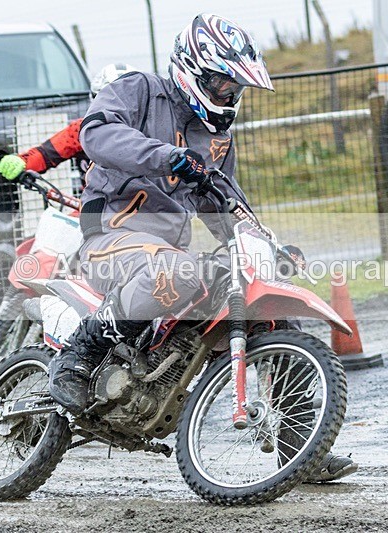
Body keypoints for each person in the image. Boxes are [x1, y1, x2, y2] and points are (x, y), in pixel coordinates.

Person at [49, 13, 358, 483]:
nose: (227, 97)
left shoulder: (216, 138)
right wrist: (166, 158)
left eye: (234, 89)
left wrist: (266, 243)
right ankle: (81, 352)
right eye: (221, 84)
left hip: (164, 250)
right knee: (177, 272)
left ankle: (301, 451)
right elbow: (97, 134)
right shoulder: (138, 89)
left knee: (269, 309)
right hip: (111, 233)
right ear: (193, 68)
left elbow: (225, 201)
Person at [0, 63, 138, 185]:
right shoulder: (81, 130)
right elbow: (46, 153)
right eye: (108, 99)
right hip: (95, 206)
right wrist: (22, 162)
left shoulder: (154, 130)